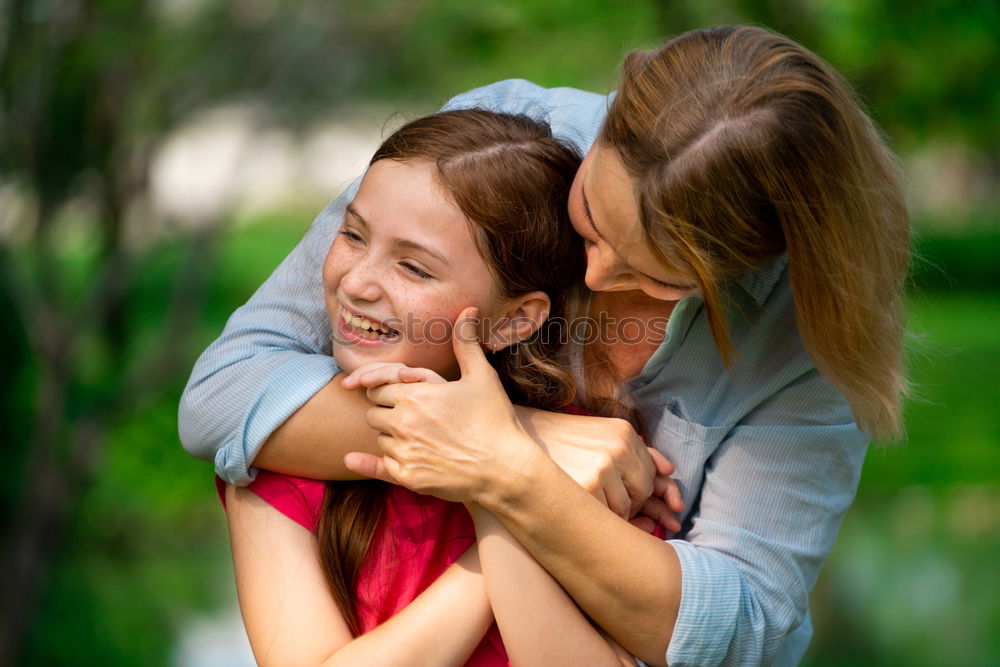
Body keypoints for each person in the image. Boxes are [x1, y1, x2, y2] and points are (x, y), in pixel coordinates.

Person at [181, 25, 910, 666]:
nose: (592, 275)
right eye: (590, 218)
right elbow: (228, 391)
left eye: (656, 276)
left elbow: (741, 626)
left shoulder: (796, 344)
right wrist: (515, 444)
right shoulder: (502, 143)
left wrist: (514, 483)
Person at [221, 108, 665, 666]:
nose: (356, 283)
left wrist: (500, 478)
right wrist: (495, 507)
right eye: (354, 235)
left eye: (414, 268)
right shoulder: (284, 451)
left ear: (514, 320)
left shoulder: (591, 463)